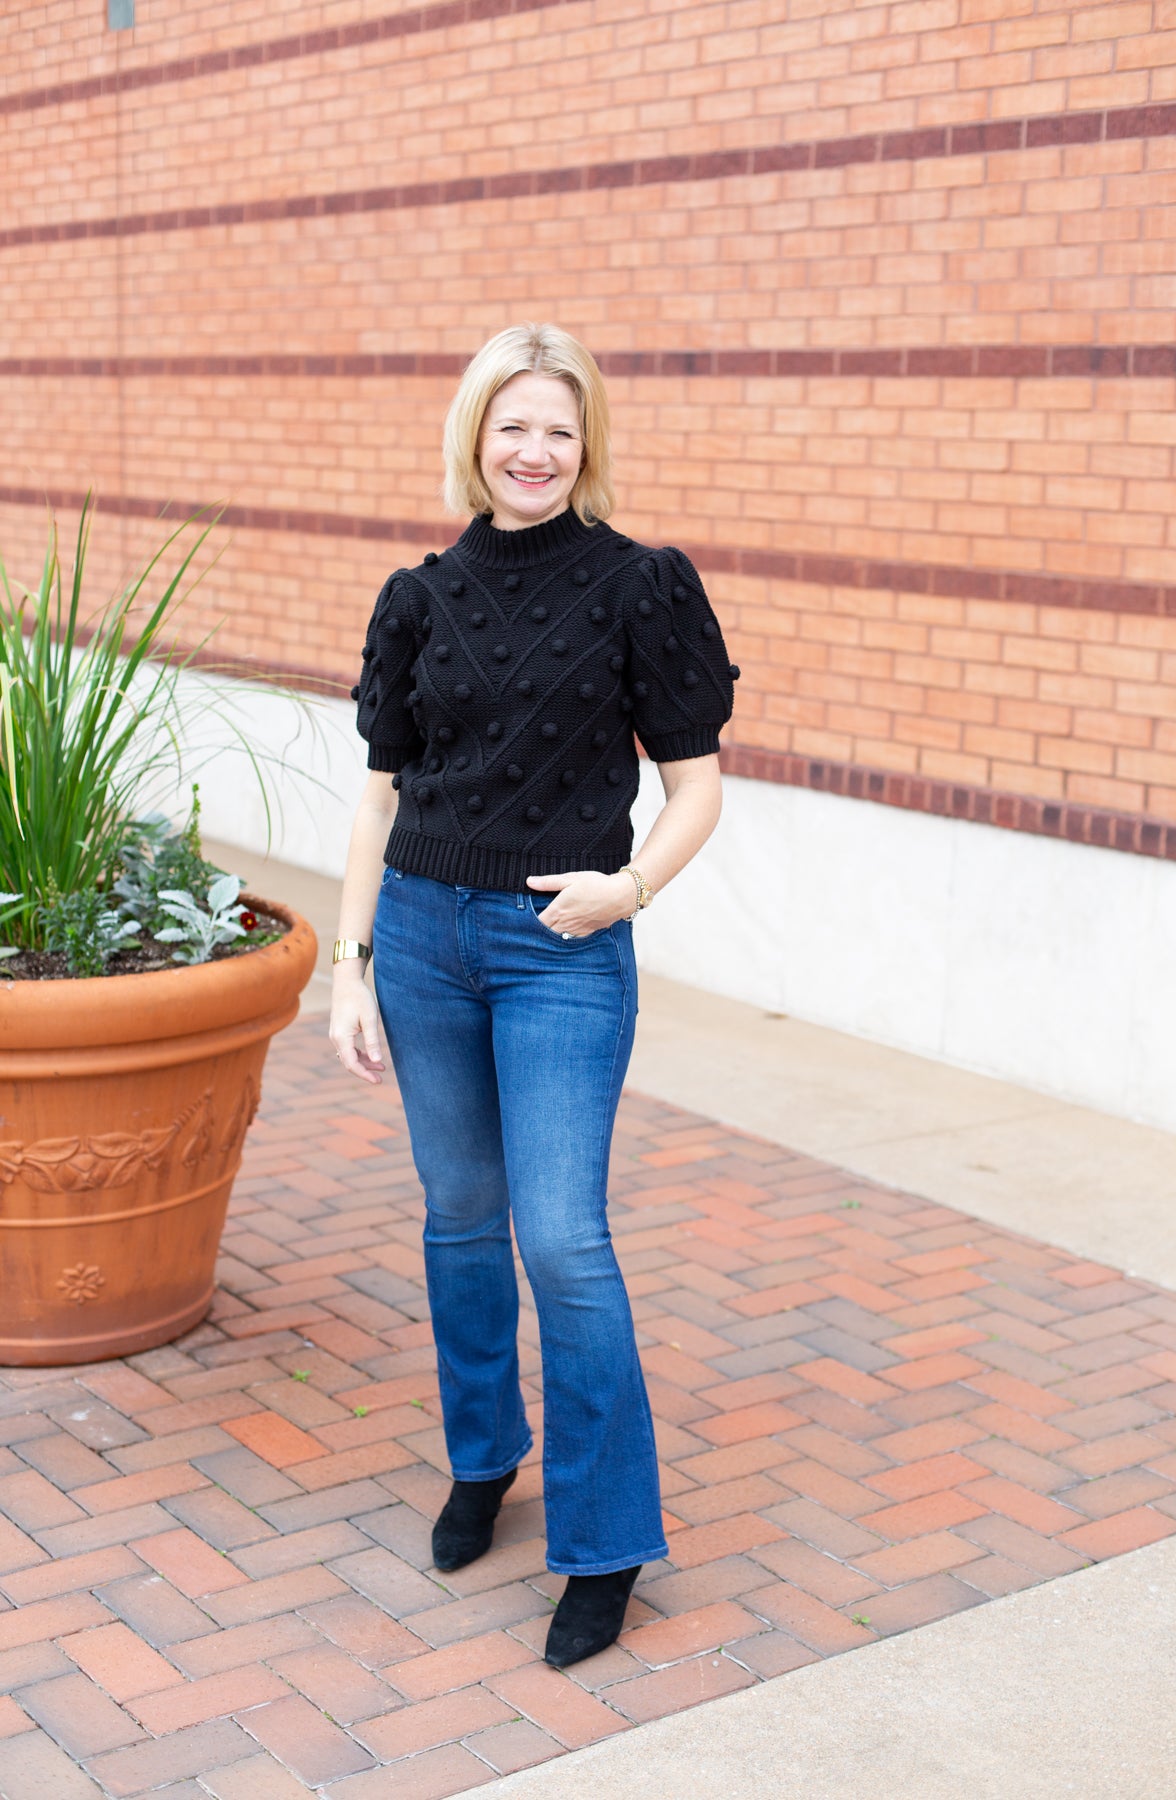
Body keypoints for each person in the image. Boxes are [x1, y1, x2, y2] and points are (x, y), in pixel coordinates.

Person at [329, 322, 737, 1666]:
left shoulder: (641, 587)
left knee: (561, 1239)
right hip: (428, 936)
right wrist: (354, 960)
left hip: (562, 946)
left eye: (559, 429)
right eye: (513, 425)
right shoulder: (420, 595)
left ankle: (606, 1544)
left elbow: (696, 786)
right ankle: (481, 1458)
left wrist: (631, 892)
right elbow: (383, 792)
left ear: (587, 445)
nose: (534, 451)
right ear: (475, 437)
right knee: (459, 1216)